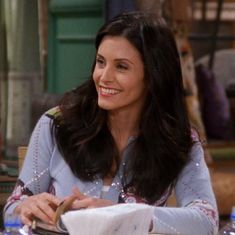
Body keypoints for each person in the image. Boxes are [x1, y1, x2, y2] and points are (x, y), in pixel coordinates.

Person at [4, 12, 218, 234]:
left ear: (154, 75)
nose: (104, 77)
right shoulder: (57, 125)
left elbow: (206, 221)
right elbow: (12, 210)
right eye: (100, 62)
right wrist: (23, 207)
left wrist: (124, 215)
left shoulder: (177, 140)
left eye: (121, 67)